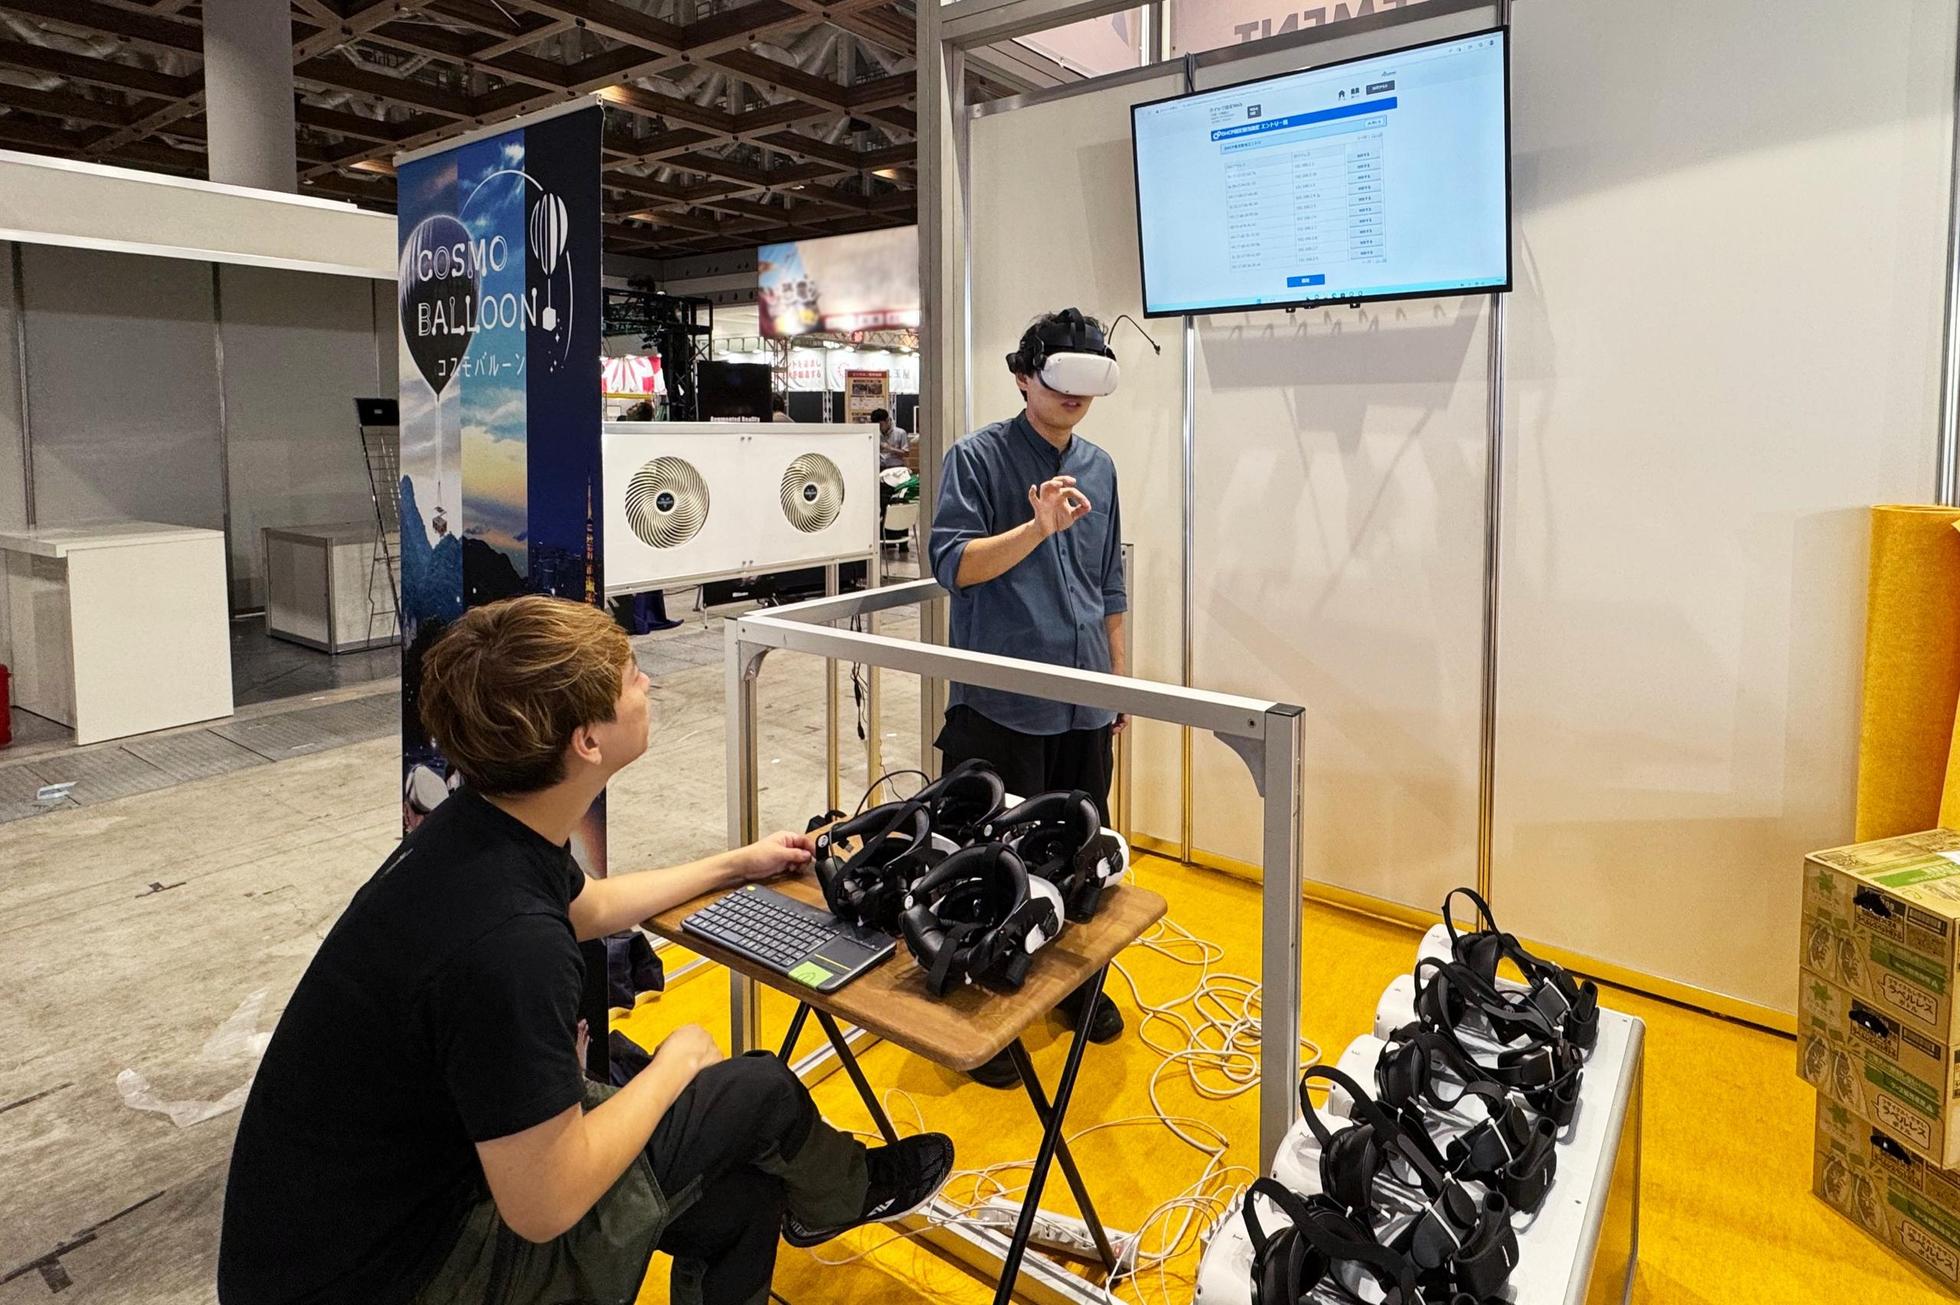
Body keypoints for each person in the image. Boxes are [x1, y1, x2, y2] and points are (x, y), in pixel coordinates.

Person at [217, 595, 954, 1305]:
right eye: (631, 677)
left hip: (347, 1233)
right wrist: (675, 1065)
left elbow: (590, 906)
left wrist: (737, 863)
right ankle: (849, 1193)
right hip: (397, 1275)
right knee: (758, 1089)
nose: (648, 684)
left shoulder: (479, 828)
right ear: (588, 742)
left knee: (738, 1199)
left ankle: (823, 1198)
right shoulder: (512, 946)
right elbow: (545, 1205)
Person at [928, 308, 1128, 1089]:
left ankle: (1075, 987)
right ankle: (985, 1016)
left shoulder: (1101, 466)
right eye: (1060, 376)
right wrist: (1035, 529)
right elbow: (953, 565)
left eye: (1089, 379)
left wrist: (1117, 680)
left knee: (1081, 854)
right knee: (994, 863)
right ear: (1023, 376)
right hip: (1002, 705)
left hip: (1084, 700)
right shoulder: (976, 459)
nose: (1075, 395)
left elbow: (1110, 583)